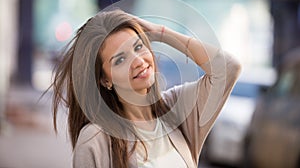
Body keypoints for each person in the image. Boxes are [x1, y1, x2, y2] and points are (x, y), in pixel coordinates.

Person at [51, 9, 241, 168]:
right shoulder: (94, 139)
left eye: (139, 46)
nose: (139, 61)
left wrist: (160, 32)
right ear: (104, 80)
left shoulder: (177, 109)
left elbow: (229, 68)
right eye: (120, 59)